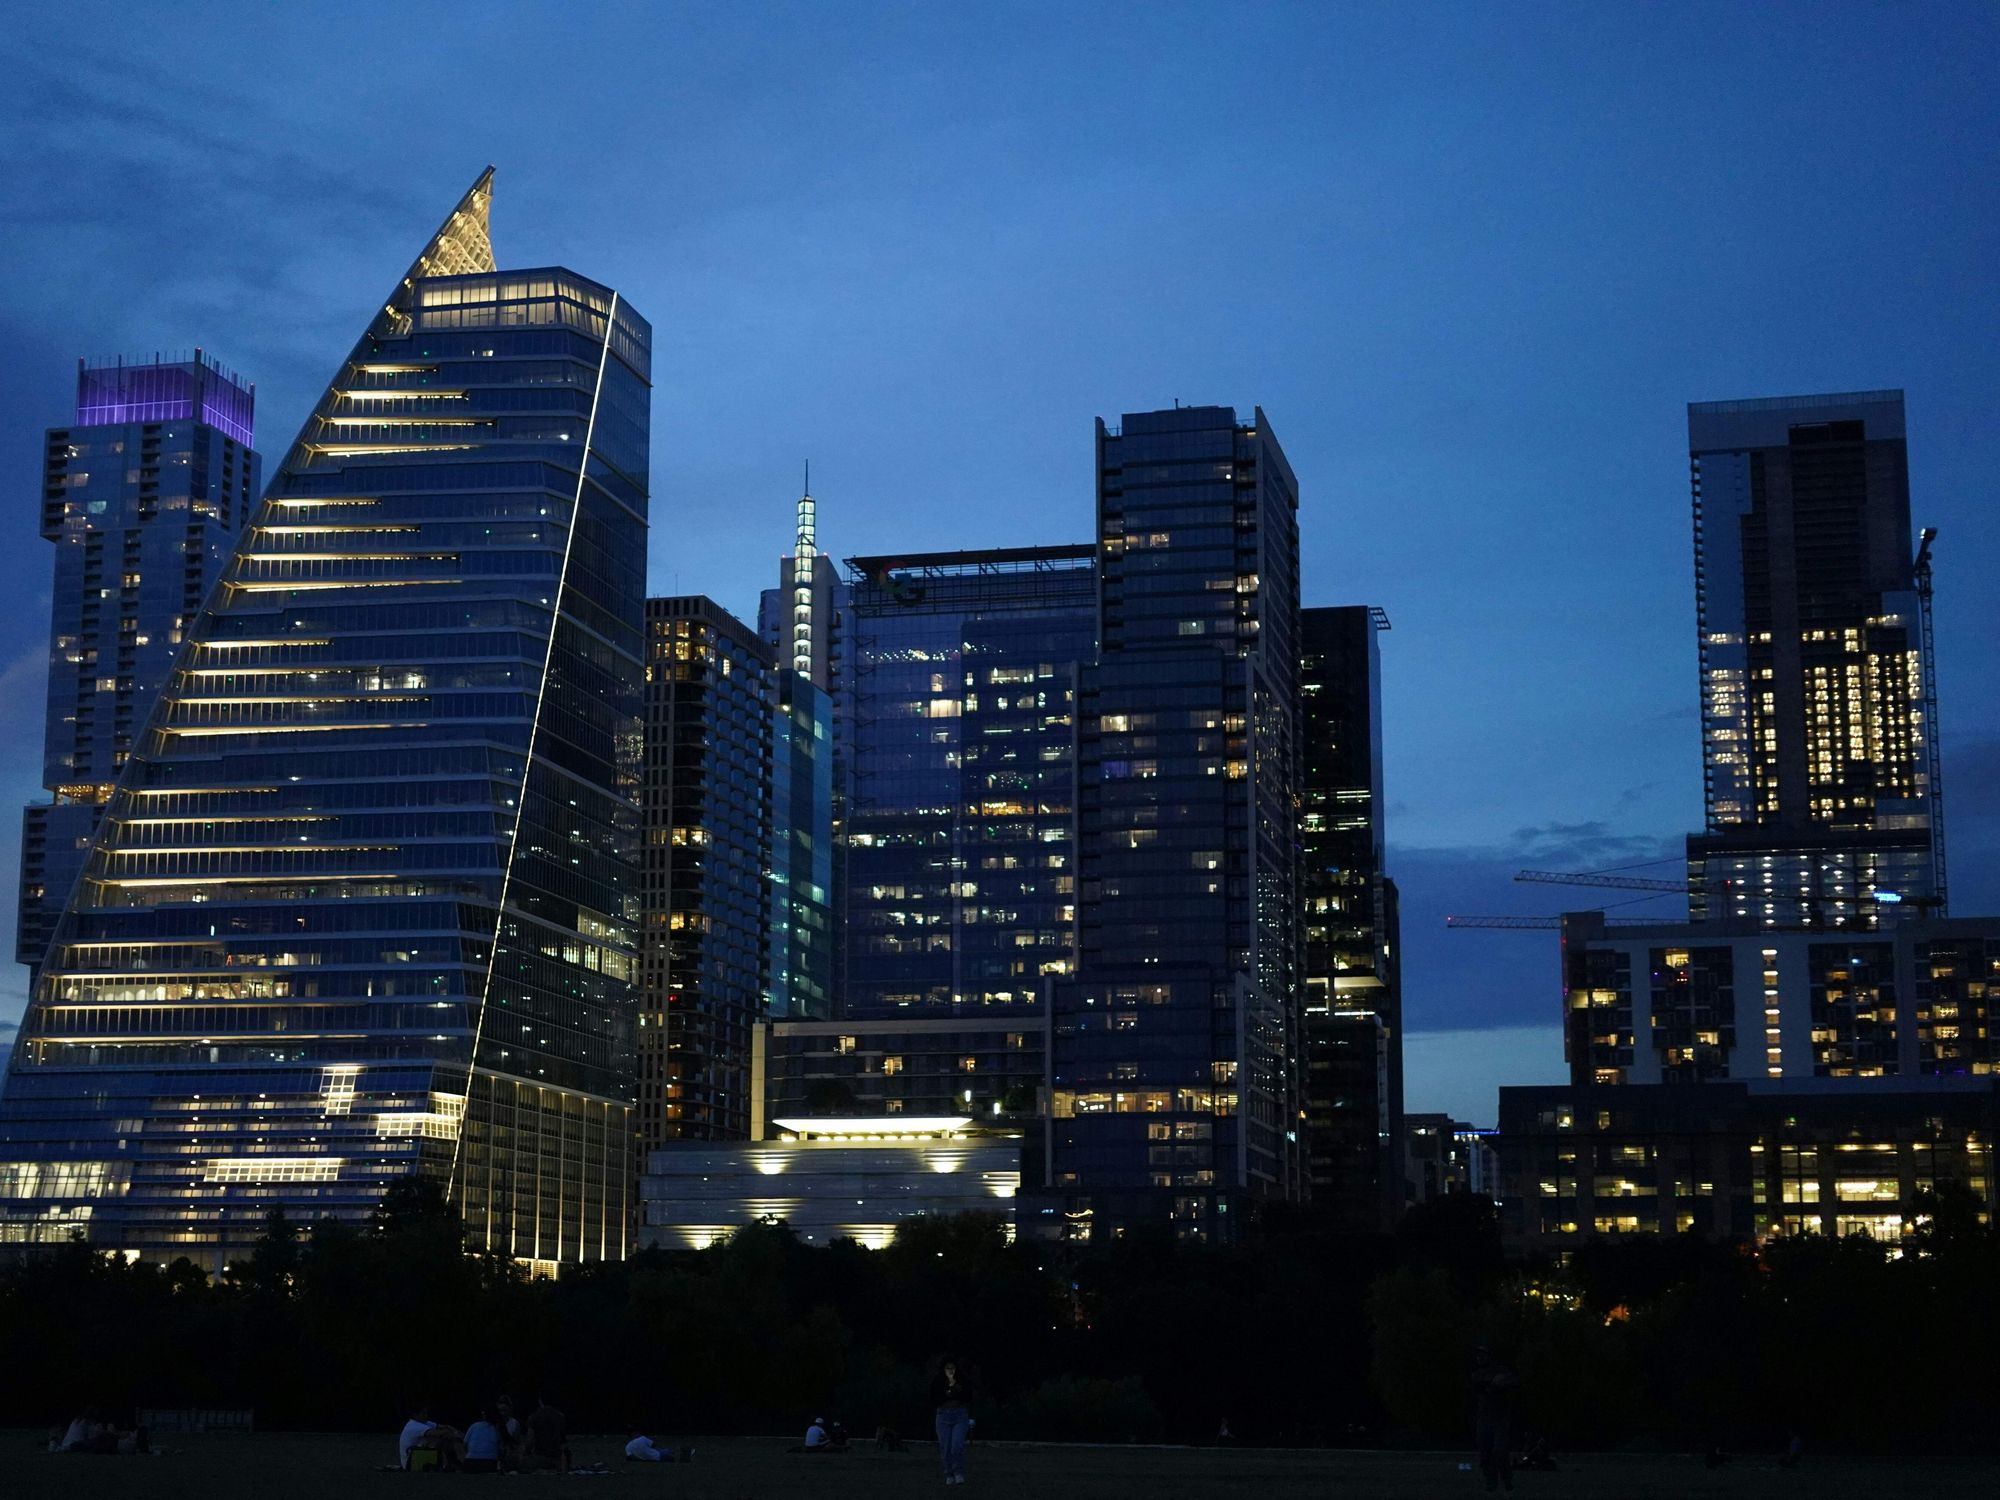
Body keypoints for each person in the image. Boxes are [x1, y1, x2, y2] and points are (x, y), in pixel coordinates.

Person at [1470, 1346, 1517, 1495]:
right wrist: (1494, 1385)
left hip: (1499, 1419)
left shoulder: (1501, 1371)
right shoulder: (1477, 1374)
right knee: (1485, 1454)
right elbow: (1480, 1388)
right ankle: (1491, 1482)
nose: (1480, 1358)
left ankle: (1506, 1478)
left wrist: (1502, 1383)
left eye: (1483, 1355)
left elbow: (1512, 1382)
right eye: (1478, 1356)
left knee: (1499, 1451)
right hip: (1483, 1419)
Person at [931, 1355, 974, 1486]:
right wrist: (947, 1394)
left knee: (956, 1446)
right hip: (943, 1415)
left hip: (959, 1415)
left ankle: (958, 1472)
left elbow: (968, 1395)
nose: (950, 1370)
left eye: (952, 1368)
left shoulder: (962, 1379)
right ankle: (948, 1474)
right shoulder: (938, 1380)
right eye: (947, 1368)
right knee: (945, 1447)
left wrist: (957, 1391)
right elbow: (933, 1397)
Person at [524, 1396, 569, 1474]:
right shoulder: (560, 1417)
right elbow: (563, 1443)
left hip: (540, 1457)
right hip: (556, 1458)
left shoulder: (534, 1417)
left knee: (520, 1464)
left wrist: (525, 1453)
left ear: (540, 1401)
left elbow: (529, 1442)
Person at [463, 1410, 503, 1474]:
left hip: (470, 1461)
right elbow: (500, 1448)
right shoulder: (496, 1429)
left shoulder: (474, 1426)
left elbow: (464, 1444)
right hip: (489, 1462)